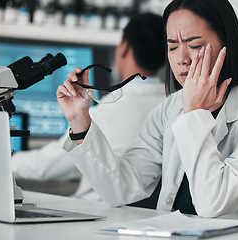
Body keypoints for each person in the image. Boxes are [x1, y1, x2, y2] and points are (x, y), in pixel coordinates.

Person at [57, 0, 238, 228]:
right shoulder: (169, 109)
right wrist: (80, 122)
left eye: (194, 45)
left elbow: (213, 202)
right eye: (172, 46)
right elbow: (121, 189)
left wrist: (195, 112)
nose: (182, 59)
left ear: (228, 45)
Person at [12, 13, 167, 201]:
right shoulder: (171, 105)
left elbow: (46, 167)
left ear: (124, 47)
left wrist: (4, 159)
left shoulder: (108, 110)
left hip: (100, 211)